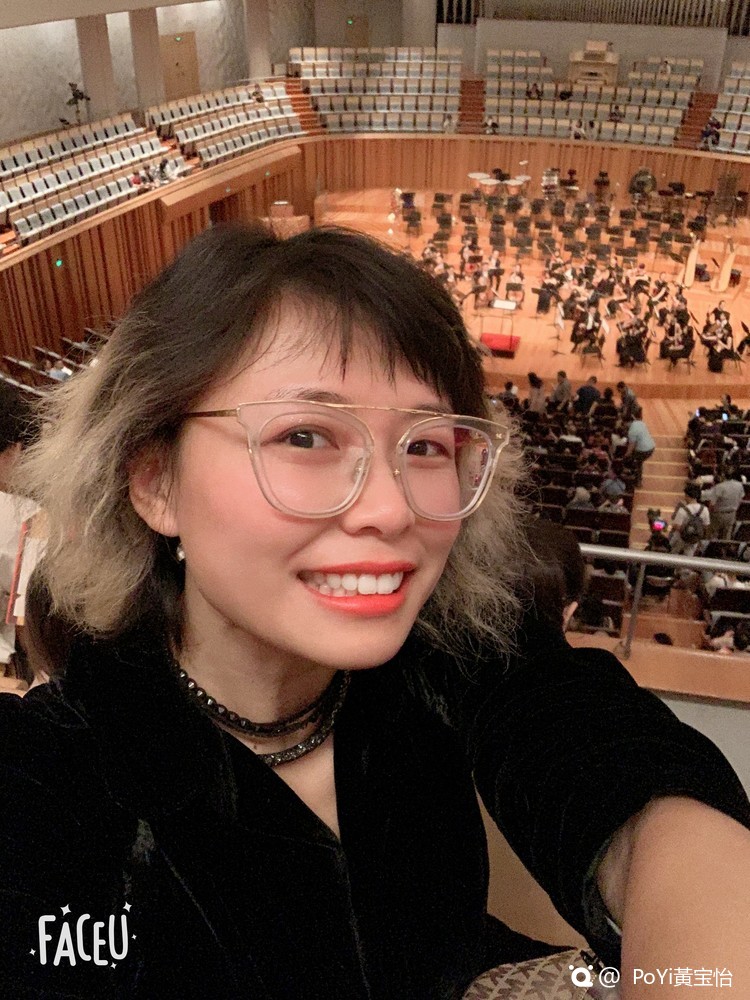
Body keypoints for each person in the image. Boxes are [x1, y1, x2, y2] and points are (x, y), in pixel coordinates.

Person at [2, 225, 750, 998]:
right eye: (305, 435)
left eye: (425, 447)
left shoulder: (456, 655)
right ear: (155, 481)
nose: (392, 510)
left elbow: (623, 774)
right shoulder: (41, 781)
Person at [669, 481, 710, 556]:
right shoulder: (705, 509)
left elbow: (676, 526)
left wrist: (686, 530)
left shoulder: (683, 510)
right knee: (688, 557)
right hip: (694, 539)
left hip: (680, 538)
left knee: (673, 555)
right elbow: (706, 526)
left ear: (687, 495)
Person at [705, 470, 746, 540]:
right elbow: (740, 499)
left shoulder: (719, 487)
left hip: (717, 514)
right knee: (727, 537)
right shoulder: (739, 485)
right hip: (732, 514)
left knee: (711, 537)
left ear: (723, 476)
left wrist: (710, 513)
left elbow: (712, 504)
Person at [625, 405, 655, 486]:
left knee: (635, 462)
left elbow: (631, 448)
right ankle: (638, 479)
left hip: (643, 450)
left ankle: (637, 480)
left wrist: (625, 456)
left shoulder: (632, 430)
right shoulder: (641, 423)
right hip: (651, 447)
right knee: (638, 462)